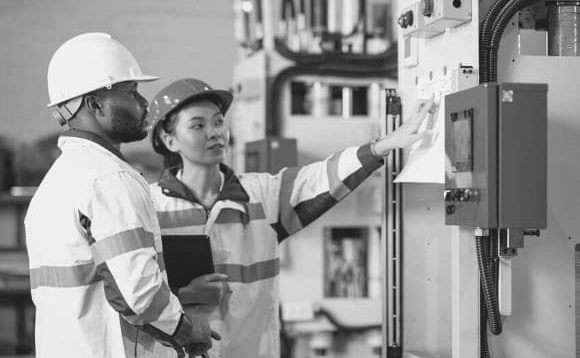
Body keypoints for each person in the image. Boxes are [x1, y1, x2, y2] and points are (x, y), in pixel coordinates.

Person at [149, 78, 433, 358]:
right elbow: (129, 291)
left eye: (218, 121)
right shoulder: (148, 206)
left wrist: (382, 146)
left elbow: (321, 177)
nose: (214, 132)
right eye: (198, 125)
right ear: (169, 139)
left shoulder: (262, 193)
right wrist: (182, 294)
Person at [25, 34, 219, 358]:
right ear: (95, 104)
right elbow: (138, 295)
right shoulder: (109, 179)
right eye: (131, 92)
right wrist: (188, 330)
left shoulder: (56, 183)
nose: (144, 103)